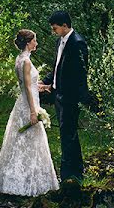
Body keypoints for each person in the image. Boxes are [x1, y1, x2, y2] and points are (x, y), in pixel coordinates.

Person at [0, 29, 60, 196]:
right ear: (29, 43)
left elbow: (27, 85)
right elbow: (28, 90)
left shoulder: (20, 59)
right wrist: (33, 111)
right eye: (35, 41)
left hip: (22, 103)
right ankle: (27, 181)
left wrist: (43, 87)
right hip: (28, 105)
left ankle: (20, 176)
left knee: (21, 140)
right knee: (32, 140)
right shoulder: (27, 62)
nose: (36, 43)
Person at [38, 11, 92, 184]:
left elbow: (80, 74)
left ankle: (72, 176)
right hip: (59, 95)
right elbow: (57, 68)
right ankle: (71, 175)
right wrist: (45, 82)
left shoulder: (78, 43)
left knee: (69, 135)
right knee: (66, 134)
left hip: (69, 97)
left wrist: (68, 94)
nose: (54, 31)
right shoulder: (59, 42)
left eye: (55, 28)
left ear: (64, 25)